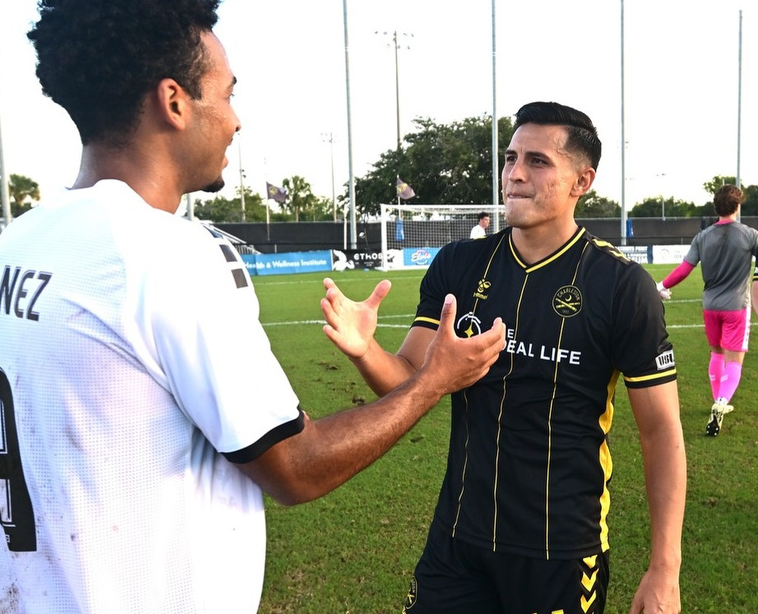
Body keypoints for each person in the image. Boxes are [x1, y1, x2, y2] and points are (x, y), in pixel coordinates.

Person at [0, 0, 506, 614]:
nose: (236, 120)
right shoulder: (165, 253)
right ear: (174, 102)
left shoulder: (20, 241)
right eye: (225, 94)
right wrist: (434, 379)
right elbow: (296, 466)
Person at [321, 101, 686, 614]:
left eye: (537, 161)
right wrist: (366, 352)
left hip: (559, 551)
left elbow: (661, 431)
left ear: (582, 181)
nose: (514, 174)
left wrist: (665, 567)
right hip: (457, 541)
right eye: (511, 157)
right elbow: (407, 380)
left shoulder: (621, 286)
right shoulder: (460, 264)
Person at [656, 184, 758, 435]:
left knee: (716, 353)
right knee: (734, 359)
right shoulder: (750, 235)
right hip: (736, 307)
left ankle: (718, 398)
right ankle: (721, 402)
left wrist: (661, 286)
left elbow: (684, 270)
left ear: (716, 207)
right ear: (737, 206)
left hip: (711, 306)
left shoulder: (702, 237)